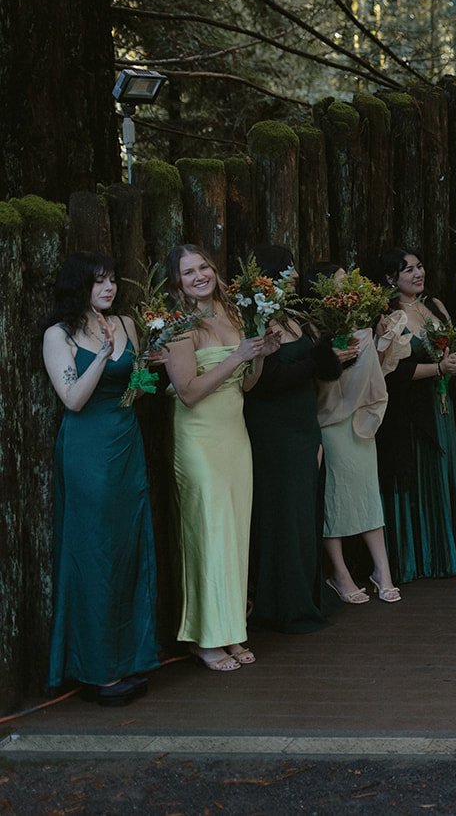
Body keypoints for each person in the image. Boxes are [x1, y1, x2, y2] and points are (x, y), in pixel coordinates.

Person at [41, 252, 160, 706]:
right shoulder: (59, 335)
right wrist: (103, 356)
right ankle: (97, 671)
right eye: (98, 282)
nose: (109, 288)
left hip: (126, 441)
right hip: (88, 449)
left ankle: (130, 657)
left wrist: (150, 367)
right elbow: (71, 398)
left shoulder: (127, 323)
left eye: (111, 280)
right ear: (78, 287)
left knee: (130, 549)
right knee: (95, 555)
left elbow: (137, 383)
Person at [164, 243, 279, 671]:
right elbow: (189, 393)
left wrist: (259, 358)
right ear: (177, 281)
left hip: (235, 435)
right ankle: (205, 637)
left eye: (204, 267)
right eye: (188, 271)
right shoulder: (179, 326)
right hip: (199, 439)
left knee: (234, 535)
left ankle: (231, 631)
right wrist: (237, 356)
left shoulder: (232, 314)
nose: (199, 276)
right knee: (208, 534)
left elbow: (246, 385)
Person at [241, 244, 332, 634]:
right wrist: (315, 361)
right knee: (283, 514)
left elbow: (319, 370)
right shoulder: (255, 319)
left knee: (305, 513)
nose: (296, 274)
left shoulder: (296, 318)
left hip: (303, 421)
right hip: (273, 429)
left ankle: (305, 596)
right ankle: (283, 605)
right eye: (288, 267)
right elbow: (266, 383)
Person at [307, 263, 407, 605]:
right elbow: (315, 383)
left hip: (362, 420)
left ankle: (383, 571)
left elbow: (377, 373)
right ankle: (339, 572)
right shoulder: (313, 329)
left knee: (367, 494)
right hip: (331, 421)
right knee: (335, 498)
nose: (345, 287)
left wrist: (380, 340)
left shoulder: (360, 325)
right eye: (338, 283)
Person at [376, 247, 456, 583]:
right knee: (419, 473)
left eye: (420, 266)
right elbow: (391, 372)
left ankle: (450, 550)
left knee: (446, 469)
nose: (418, 274)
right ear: (391, 278)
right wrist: (440, 367)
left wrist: (454, 363)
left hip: (443, 402)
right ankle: (421, 556)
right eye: (408, 270)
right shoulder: (389, 317)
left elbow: (444, 352)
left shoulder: (435, 306)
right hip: (411, 410)